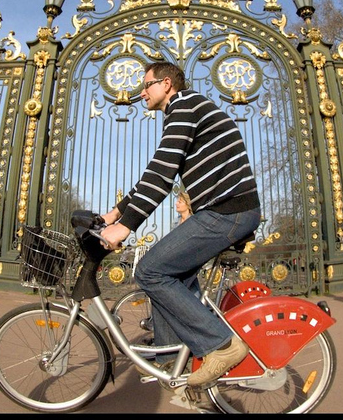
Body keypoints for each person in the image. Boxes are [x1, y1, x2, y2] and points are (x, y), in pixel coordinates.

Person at [99, 62, 261, 388]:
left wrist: (126, 225)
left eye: (147, 84)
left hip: (226, 212)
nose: (141, 92)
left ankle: (221, 344)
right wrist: (114, 213)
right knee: (173, 275)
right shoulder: (184, 109)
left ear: (167, 83)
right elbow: (157, 171)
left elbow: (161, 172)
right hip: (222, 211)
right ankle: (172, 364)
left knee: (150, 270)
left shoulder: (185, 105)